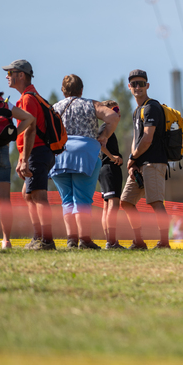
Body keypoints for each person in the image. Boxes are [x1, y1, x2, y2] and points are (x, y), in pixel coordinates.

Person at [50, 75, 119, 249]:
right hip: (85, 155)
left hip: (60, 155)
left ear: (63, 90)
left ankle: (71, 240)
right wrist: (104, 136)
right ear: (81, 90)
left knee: (67, 200)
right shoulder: (91, 104)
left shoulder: (55, 108)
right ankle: (85, 240)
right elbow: (112, 116)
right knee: (82, 200)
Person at [3, 60, 56, 250]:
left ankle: (46, 240)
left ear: (21, 75)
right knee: (27, 194)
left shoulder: (27, 99)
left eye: (11, 73)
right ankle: (38, 236)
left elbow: (30, 130)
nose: (7, 76)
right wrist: (21, 158)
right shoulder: (30, 96)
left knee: (38, 196)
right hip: (38, 152)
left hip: (37, 151)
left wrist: (24, 159)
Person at [120, 69, 170, 250]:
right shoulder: (137, 111)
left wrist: (132, 158)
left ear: (147, 85)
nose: (138, 87)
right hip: (140, 164)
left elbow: (148, 138)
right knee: (126, 202)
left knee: (156, 202)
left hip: (154, 162)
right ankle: (139, 242)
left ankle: (164, 242)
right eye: (134, 84)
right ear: (129, 87)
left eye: (141, 83)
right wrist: (133, 162)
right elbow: (137, 138)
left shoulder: (151, 107)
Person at [0, 71, 34, 249]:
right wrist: (13, 135)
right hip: (2, 153)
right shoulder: (3, 103)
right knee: (5, 201)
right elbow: (29, 118)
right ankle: (6, 241)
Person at [97, 100, 125, 249]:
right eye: (114, 109)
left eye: (118, 109)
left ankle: (110, 241)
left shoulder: (109, 128)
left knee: (107, 206)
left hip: (106, 168)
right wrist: (113, 157)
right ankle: (112, 242)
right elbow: (99, 142)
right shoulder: (106, 127)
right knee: (113, 205)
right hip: (109, 168)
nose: (117, 112)